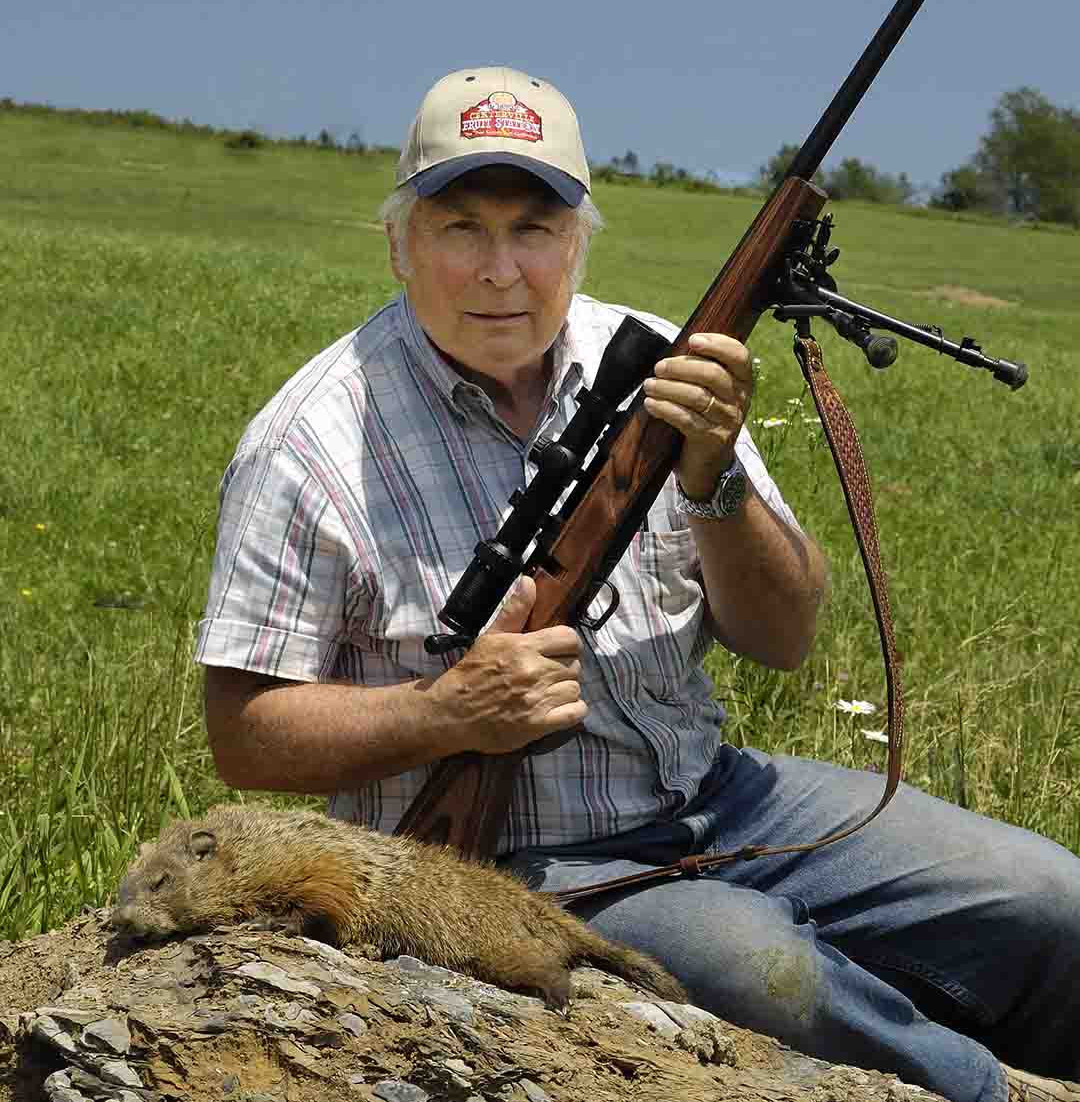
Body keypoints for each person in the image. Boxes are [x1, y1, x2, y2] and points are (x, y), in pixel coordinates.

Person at [197, 66, 1080, 1102]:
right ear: (399, 243)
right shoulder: (309, 441)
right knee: (767, 972)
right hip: (520, 873)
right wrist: (443, 713)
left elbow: (786, 635)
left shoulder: (661, 366)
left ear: (579, 241)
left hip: (719, 798)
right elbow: (243, 734)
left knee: (1054, 900)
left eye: (535, 229)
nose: (500, 270)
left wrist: (714, 485)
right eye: (460, 229)